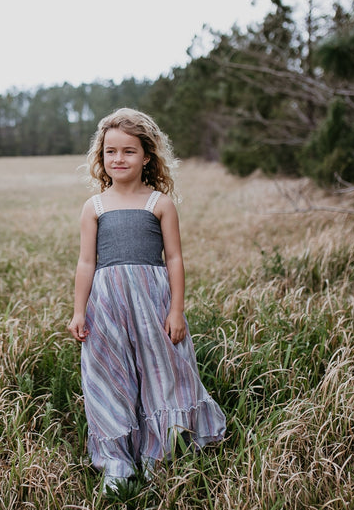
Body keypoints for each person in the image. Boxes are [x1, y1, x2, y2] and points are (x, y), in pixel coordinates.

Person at [68, 108, 226, 495]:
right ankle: (117, 463)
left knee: (165, 374)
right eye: (110, 151)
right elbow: (86, 263)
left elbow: (174, 259)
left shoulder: (159, 203)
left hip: (153, 304)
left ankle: (164, 455)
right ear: (101, 156)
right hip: (107, 306)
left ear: (146, 156)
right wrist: (78, 311)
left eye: (129, 151)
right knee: (111, 377)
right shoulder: (94, 207)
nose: (118, 159)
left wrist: (177, 310)